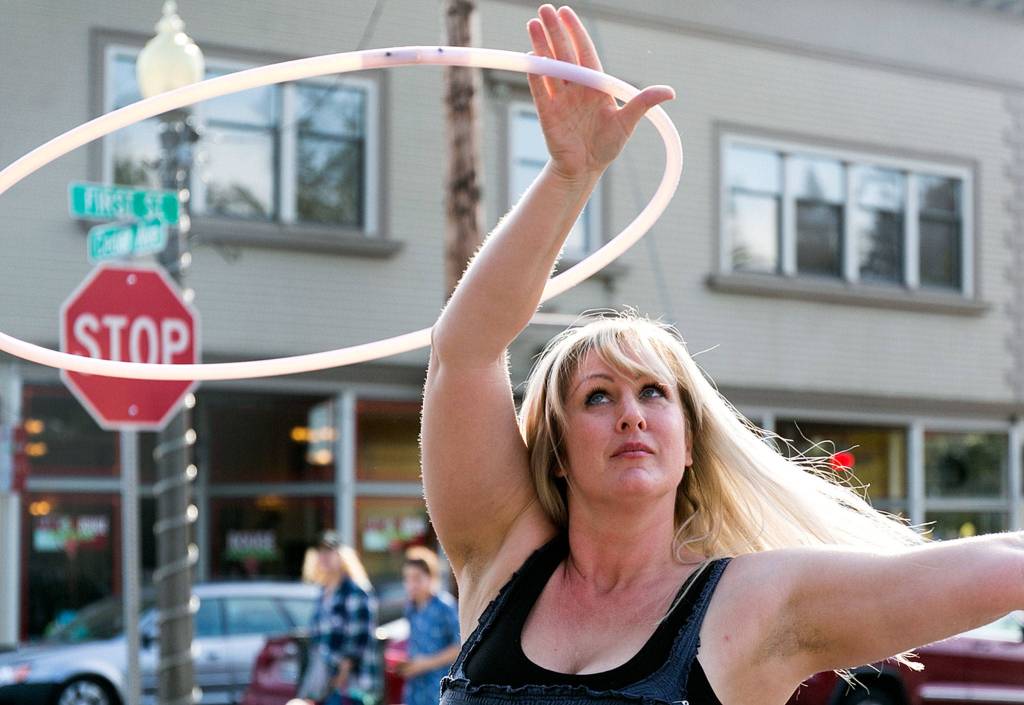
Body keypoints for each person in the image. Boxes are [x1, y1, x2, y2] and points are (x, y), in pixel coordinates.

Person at [421, 5, 1024, 705]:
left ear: (690, 444)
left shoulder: (753, 603)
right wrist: (570, 176)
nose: (631, 415)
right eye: (596, 396)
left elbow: (1007, 562)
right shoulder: (503, 560)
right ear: (556, 450)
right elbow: (462, 350)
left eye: (654, 393)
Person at [297, 531, 382, 705]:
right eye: (320, 552)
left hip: (352, 685)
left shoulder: (356, 591)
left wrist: (339, 679)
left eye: (329, 551)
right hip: (324, 681)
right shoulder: (322, 592)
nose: (324, 557)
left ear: (342, 555)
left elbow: (358, 641)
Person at [397, 546, 461, 705]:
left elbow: (461, 646)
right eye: (407, 578)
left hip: (438, 689)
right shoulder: (410, 607)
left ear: (431, 577)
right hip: (415, 689)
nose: (411, 584)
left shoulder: (445, 606)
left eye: (417, 578)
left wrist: (425, 663)